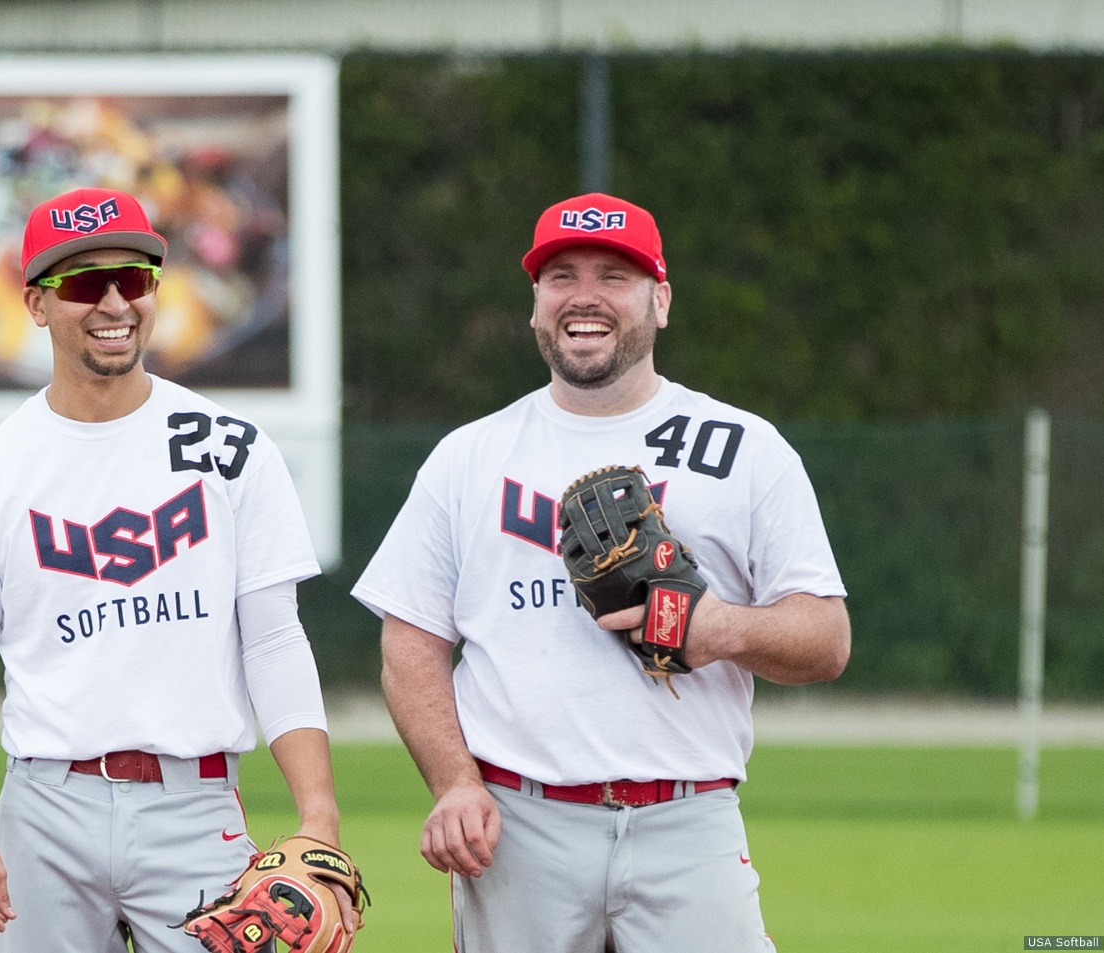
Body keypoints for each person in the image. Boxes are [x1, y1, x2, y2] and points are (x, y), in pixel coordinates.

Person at [352, 192, 850, 952]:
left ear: (660, 300)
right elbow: (410, 641)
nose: (584, 296)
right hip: (518, 828)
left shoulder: (745, 448)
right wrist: (454, 782)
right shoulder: (470, 456)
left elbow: (827, 639)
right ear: (534, 306)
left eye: (613, 275)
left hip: (689, 819)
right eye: (561, 276)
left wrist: (720, 627)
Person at [0, 186, 353, 952]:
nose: (113, 301)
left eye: (133, 278)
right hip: (43, 807)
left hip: (194, 801)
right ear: (37, 305)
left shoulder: (231, 449)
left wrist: (319, 817)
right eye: (82, 282)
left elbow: (273, 640)